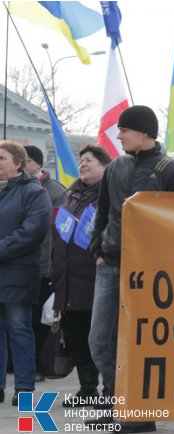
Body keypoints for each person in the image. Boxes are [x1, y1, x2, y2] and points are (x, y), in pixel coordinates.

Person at [87, 105, 174, 433]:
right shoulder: (116, 167)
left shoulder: (171, 169)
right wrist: (98, 250)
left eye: (125, 130)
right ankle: (117, 401)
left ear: (145, 132)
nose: (118, 136)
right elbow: (102, 213)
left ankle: (139, 412)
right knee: (100, 340)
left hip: (150, 270)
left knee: (140, 343)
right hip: (112, 264)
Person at [52, 145, 112, 407]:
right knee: (76, 334)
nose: (83, 165)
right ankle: (87, 388)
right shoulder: (72, 194)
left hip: (94, 275)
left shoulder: (109, 194)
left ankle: (109, 389)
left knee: (98, 336)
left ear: (104, 166)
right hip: (68, 277)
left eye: (89, 160)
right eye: (81, 161)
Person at [0, 141, 51, 405]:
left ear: (19, 163)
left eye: (1, 158)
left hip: (18, 272)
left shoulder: (34, 192)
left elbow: (31, 232)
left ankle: (23, 388)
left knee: (19, 328)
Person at [24, 145, 67, 382]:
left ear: (38, 164)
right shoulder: (14, 189)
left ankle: (41, 365)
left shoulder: (56, 192)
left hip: (45, 266)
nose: (23, 165)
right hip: (22, 264)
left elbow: (60, 231)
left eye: (27, 160)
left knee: (39, 320)